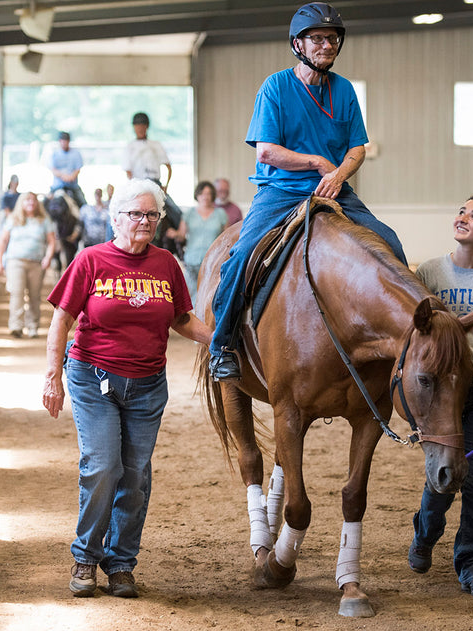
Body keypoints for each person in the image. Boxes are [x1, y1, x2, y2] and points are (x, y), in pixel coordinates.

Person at [207, 1, 407, 381]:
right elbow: (267, 151)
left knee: (390, 242)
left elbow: (357, 147)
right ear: (298, 44)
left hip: (333, 190)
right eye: (317, 38)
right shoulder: (276, 87)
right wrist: (318, 163)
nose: (326, 46)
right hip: (280, 190)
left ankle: (405, 339)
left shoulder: (344, 90)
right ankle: (222, 344)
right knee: (241, 256)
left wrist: (338, 174)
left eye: (332, 39)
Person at [43, 179, 212, 599]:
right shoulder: (90, 260)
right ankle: (86, 556)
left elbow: (181, 319)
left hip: (148, 384)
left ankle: (120, 563)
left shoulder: (166, 264)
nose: (145, 221)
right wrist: (52, 376)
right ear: (116, 217)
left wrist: (223, 337)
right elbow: (62, 319)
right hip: (93, 378)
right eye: (136, 213)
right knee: (103, 466)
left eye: (152, 214)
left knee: (134, 475)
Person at [407, 195, 473, 599]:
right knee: (443, 478)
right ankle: (425, 534)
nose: (463, 217)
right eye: (461, 211)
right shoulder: (429, 272)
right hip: (440, 393)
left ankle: (471, 562)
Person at [0, 192, 58, 339]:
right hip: (15, 261)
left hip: (36, 263)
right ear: (21, 203)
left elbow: (51, 241)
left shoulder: (44, 220)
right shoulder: (13, 219)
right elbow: (3, 240)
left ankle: (33, 326)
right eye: (27, 200)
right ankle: (16, 326)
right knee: (16, 293)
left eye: (34, 200)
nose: (31, 202)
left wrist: (48, 257)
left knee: (34, 295)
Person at [122, 112, 184, 256]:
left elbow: (168, 166)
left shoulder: (156, 145)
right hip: (137, 185)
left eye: (142, 126)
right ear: (134, 128)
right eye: (137, 126)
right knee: (115, 213)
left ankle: (181, 244)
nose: (140, 129)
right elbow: (128, 171)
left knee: (176, 212)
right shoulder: (130, 147)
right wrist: (133, 188)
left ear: (147, 127)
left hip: (156, 184)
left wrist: (166, 186)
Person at [176, 181, 228, 306]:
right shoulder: (189, 213)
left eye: (209, 193)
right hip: (191, 261)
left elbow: (227, 237)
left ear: (213, 196)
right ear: (197, 195)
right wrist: (173, 233)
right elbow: (181, 235)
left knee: (210, 297)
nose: (205, 196)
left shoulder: (220, 214)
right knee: (191, 297)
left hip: (213, 261)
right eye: (202, 193)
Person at [48, 131, 87, 207]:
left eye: (65, 141)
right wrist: (63, 176)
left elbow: (77, 170)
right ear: (59, 141)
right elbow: (53, 169)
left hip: (72, 186)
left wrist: (70, 177)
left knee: (83, 203)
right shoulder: (54, 154)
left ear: (69, 141)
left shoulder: (76, 154)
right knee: (47, 203)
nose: (64, 143)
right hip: (57, 185)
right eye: (62, 141)